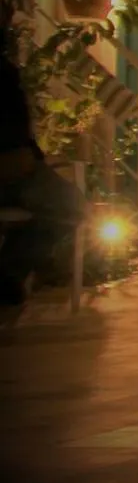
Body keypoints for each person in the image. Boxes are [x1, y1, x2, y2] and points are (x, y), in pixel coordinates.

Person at [1, 50, 85, 305]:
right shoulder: (6, 73)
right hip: (15, 172)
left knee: (69, 205)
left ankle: (9, 272)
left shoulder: (7, 72)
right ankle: (9, 272)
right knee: (70, 206)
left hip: (21, 167)